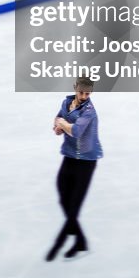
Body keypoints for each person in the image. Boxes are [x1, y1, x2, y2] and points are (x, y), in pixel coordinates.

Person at [46, 76, 103, 262]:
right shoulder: (66, 101)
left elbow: (76, 131)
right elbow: (58, 121)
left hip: (86, 160)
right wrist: (58, 126)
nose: (85, 96)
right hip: (69, 155)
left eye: (88, 93)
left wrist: (62, 124)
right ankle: (81, 241)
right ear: (75, 89)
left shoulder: (89, 112)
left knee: (73, 207)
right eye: (81, 92)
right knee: (63, 197)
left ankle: (59, 243)